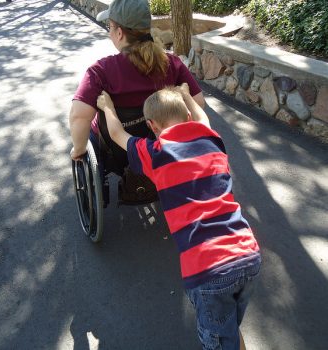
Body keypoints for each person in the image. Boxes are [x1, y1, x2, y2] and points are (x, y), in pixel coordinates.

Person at [96, 84, 261, 350]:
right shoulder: (211, 138)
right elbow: (203, 118)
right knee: (227, 328)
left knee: (217, 340)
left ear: (151, 125)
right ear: (187, 117)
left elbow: (117, 134)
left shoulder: (156, 153)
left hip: (208, 269)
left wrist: (107, 108)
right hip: (248, 255)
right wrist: (186, 95)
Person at [69, 0, 204, 163]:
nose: (109, 32)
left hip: (117, 149)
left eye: (109, 27)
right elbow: (198, 103)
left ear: (119, 33)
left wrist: (79, 150)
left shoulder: (101, 71)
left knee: (90, 130)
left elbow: (78, 117)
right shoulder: (172, 63)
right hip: (164, 146)